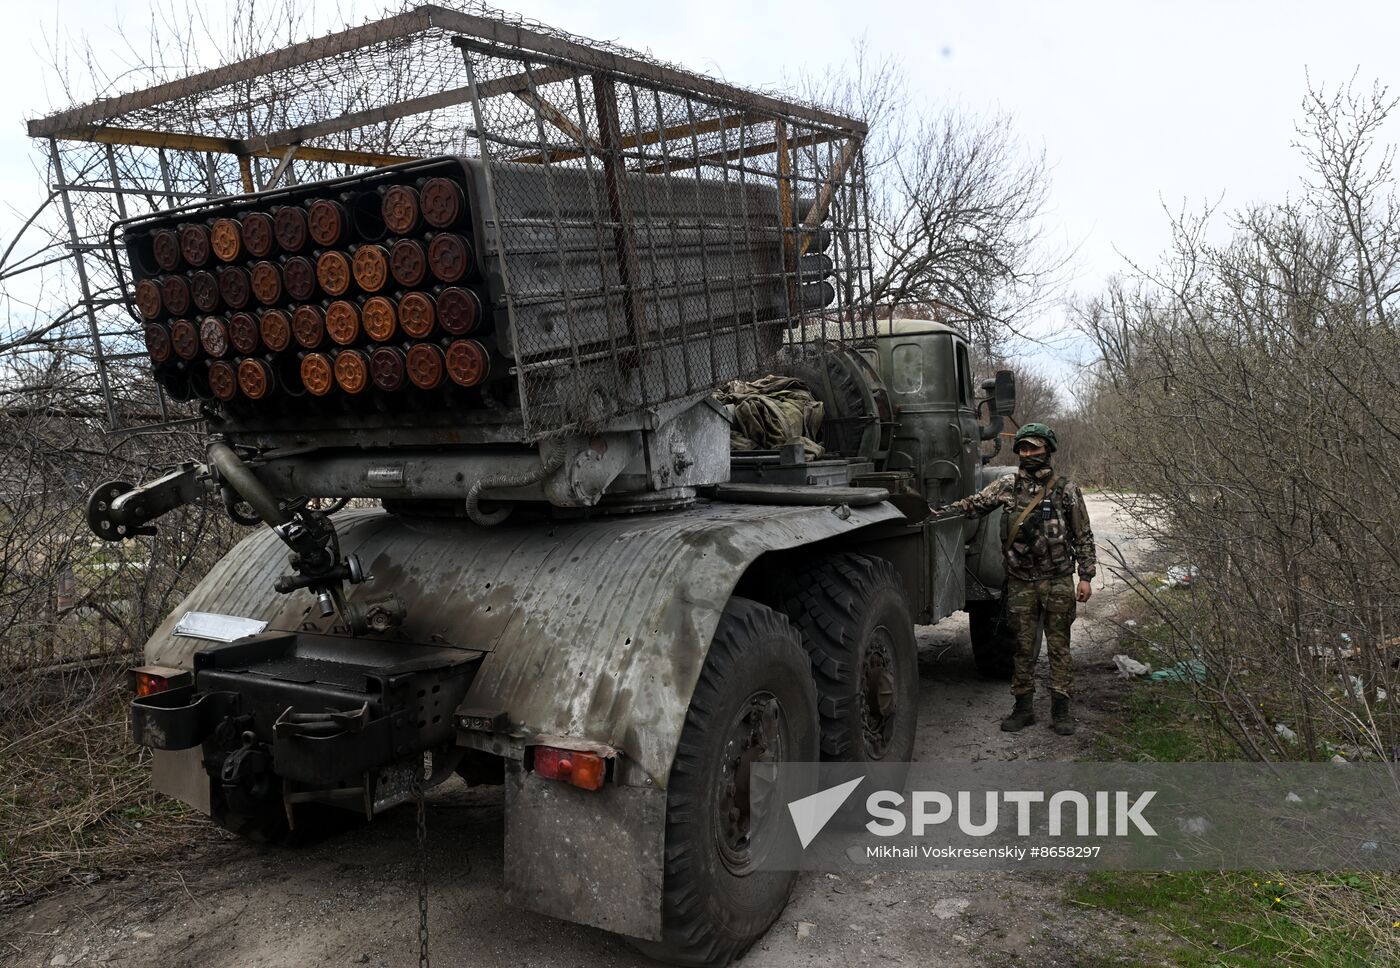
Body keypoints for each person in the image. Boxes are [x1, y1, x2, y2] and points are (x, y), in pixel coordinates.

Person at [930, 423, 1096, 735]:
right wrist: (942, 512)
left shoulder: (1066, 489)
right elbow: (974, 505)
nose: (1028, 453)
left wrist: (1085, 577)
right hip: (1021, 581)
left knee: (1060, 647)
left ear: (1048, 449)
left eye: (1034, 448)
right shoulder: (1008, 485)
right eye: (1023, 448)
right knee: (1022, 648)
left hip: (1058, 579)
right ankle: (1023, 709)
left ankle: (1061, 711)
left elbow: (1083, 536)